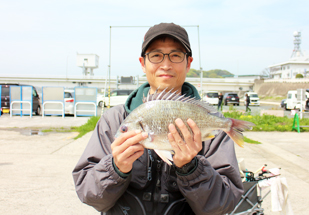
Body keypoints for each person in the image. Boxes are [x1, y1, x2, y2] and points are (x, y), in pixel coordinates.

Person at [72, 23, 243, 215]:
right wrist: (115, 167)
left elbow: (224, 205)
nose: (166, 64)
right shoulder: (113, 120)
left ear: (188, 63)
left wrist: (192, 168)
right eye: (155, 55)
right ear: (142, 63)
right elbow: (89, 195)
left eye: (176, 55)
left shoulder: (211, 122)